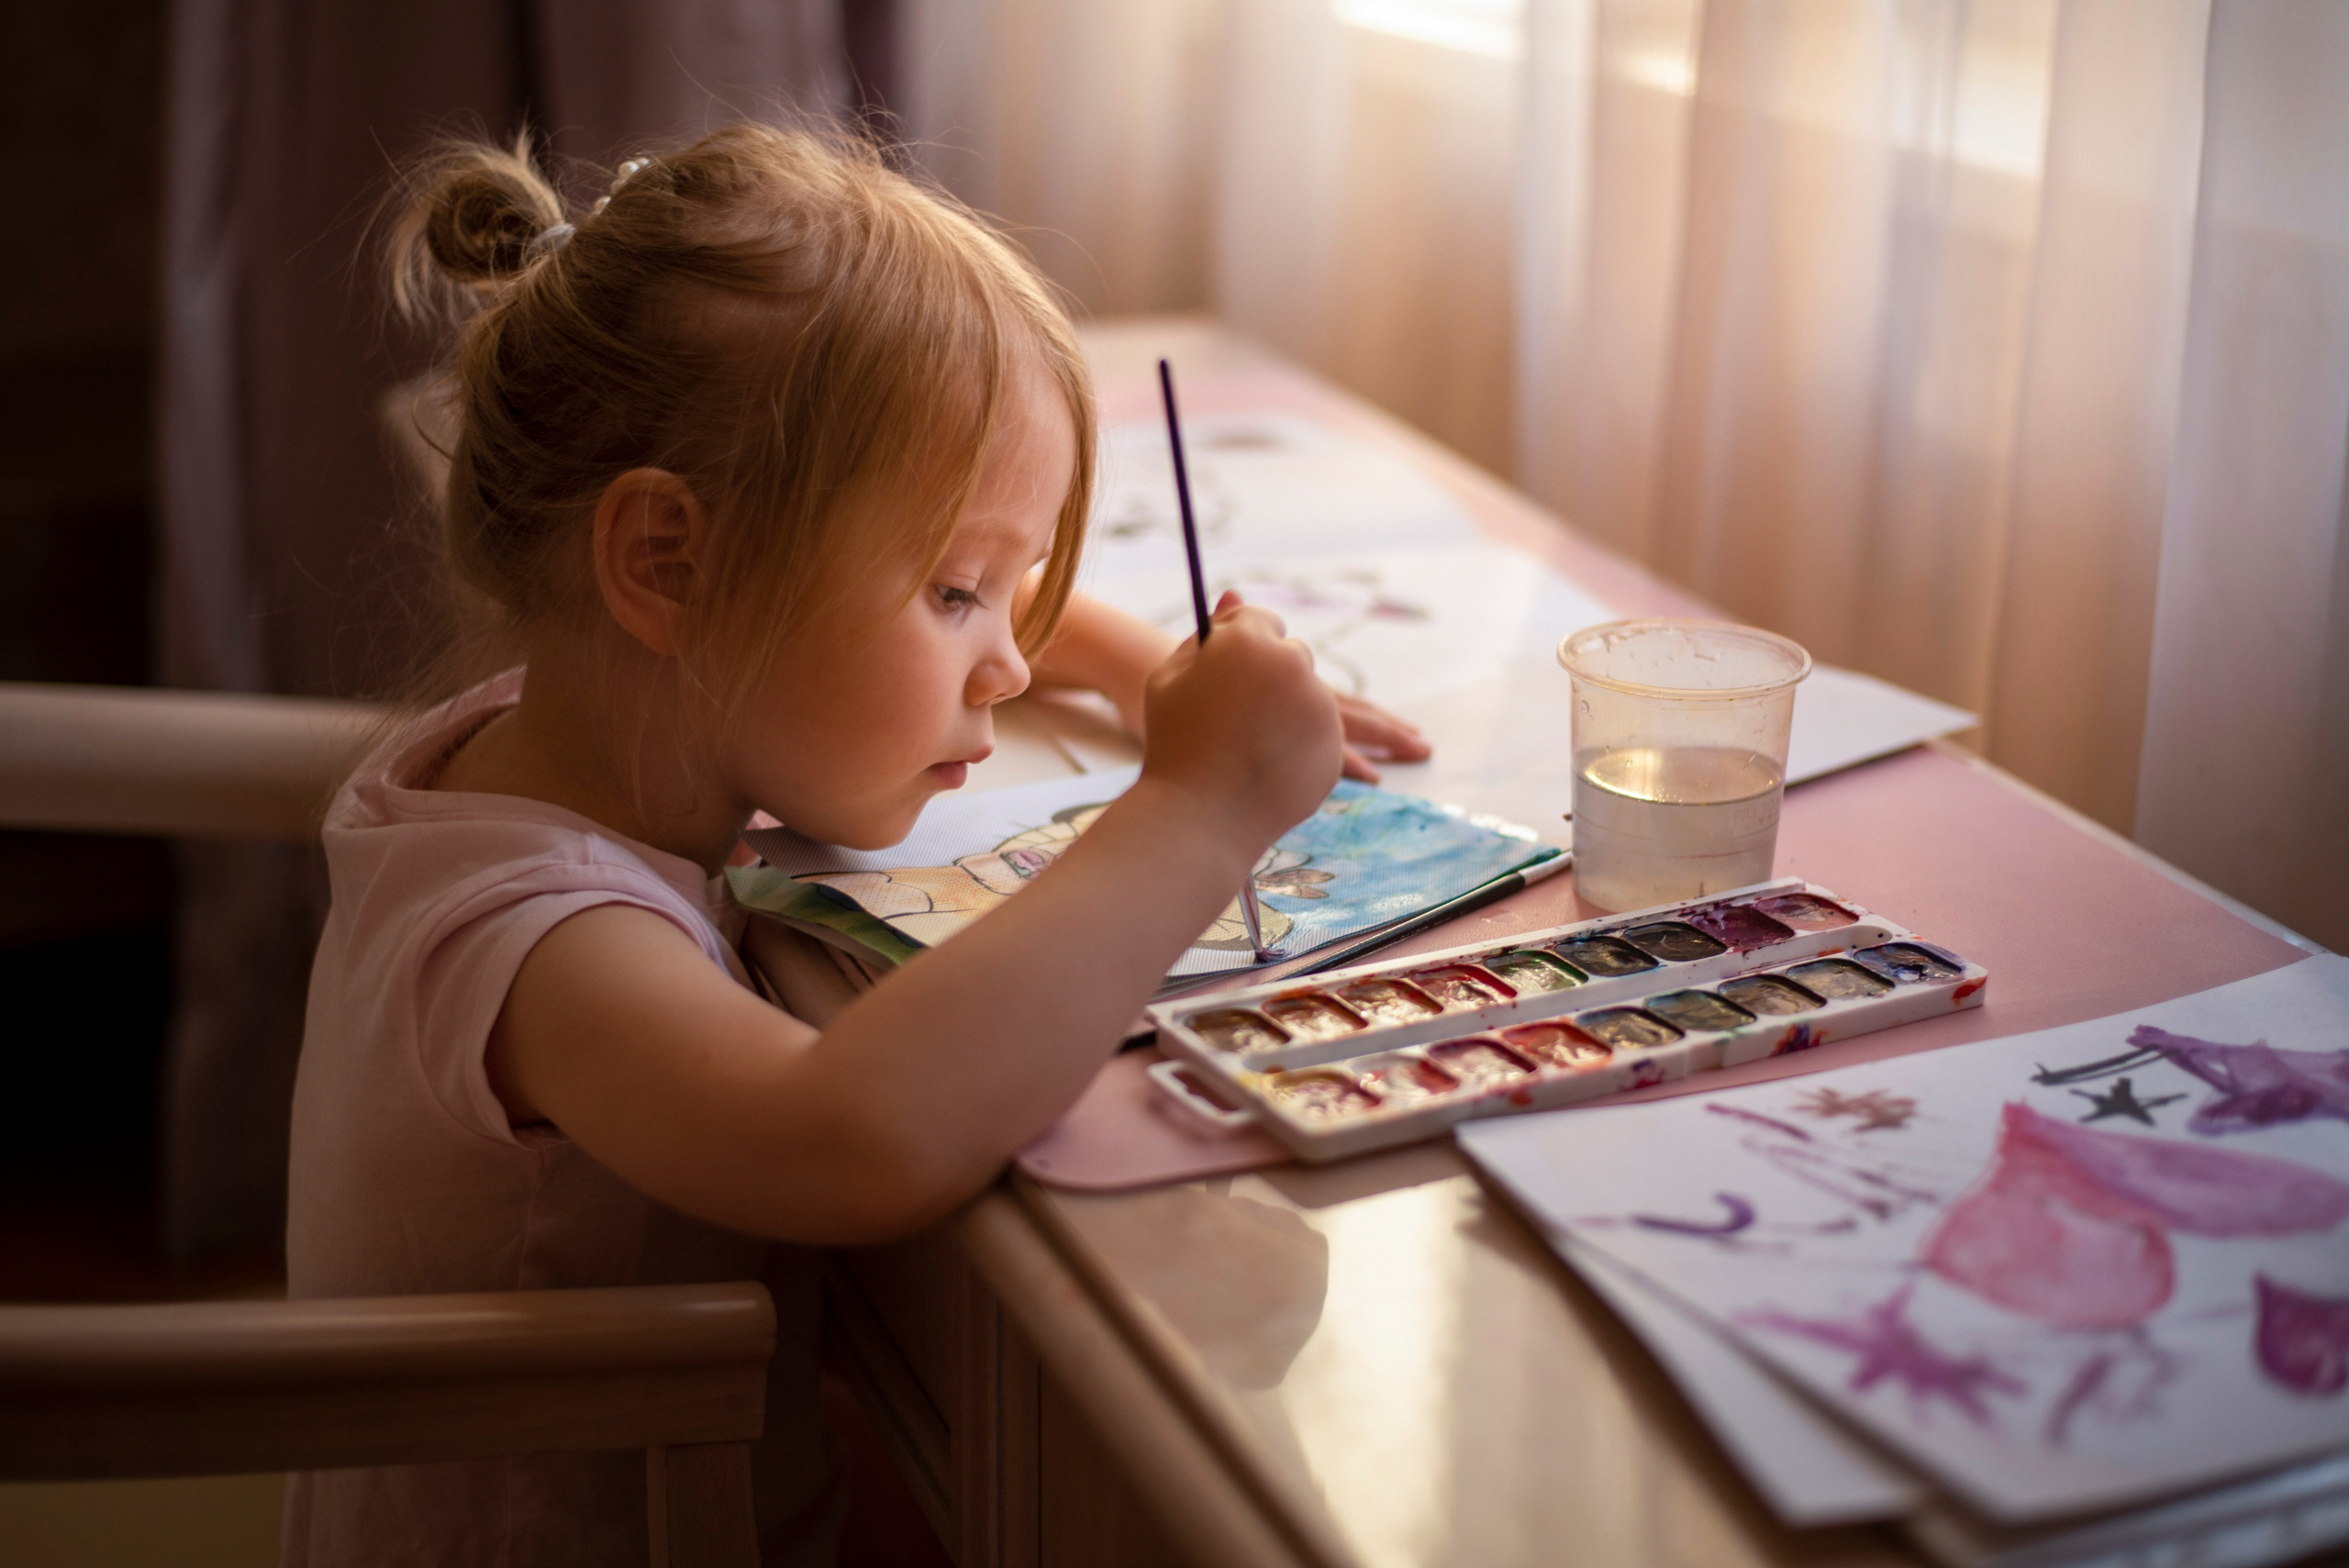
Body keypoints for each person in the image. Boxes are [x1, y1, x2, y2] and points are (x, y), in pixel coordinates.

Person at [282, 120, 1428, 1566]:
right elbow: (854, 1138)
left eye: (1001, 590)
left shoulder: (571, 726)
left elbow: (955, 606)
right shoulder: (539, 945)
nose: (1006, 663)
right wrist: (1195, 808)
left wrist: (1142, 671)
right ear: (668, 564)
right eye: (957, 593)